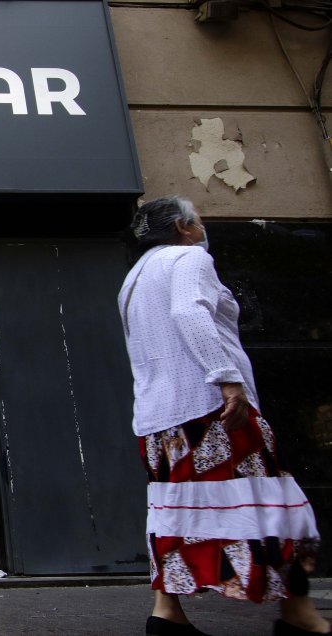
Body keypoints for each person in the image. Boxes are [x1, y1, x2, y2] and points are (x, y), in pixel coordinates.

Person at [119, 196, 326, 636]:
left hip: (161, 420)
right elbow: (188, 312)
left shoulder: (134, 278)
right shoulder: (188, 257)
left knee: (178, 510)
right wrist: (227, 378)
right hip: (209, 410)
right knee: (268, 503)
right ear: (182, 226)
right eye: (199, 220)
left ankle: (167, 614)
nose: (203, 228)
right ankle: (298, 614)